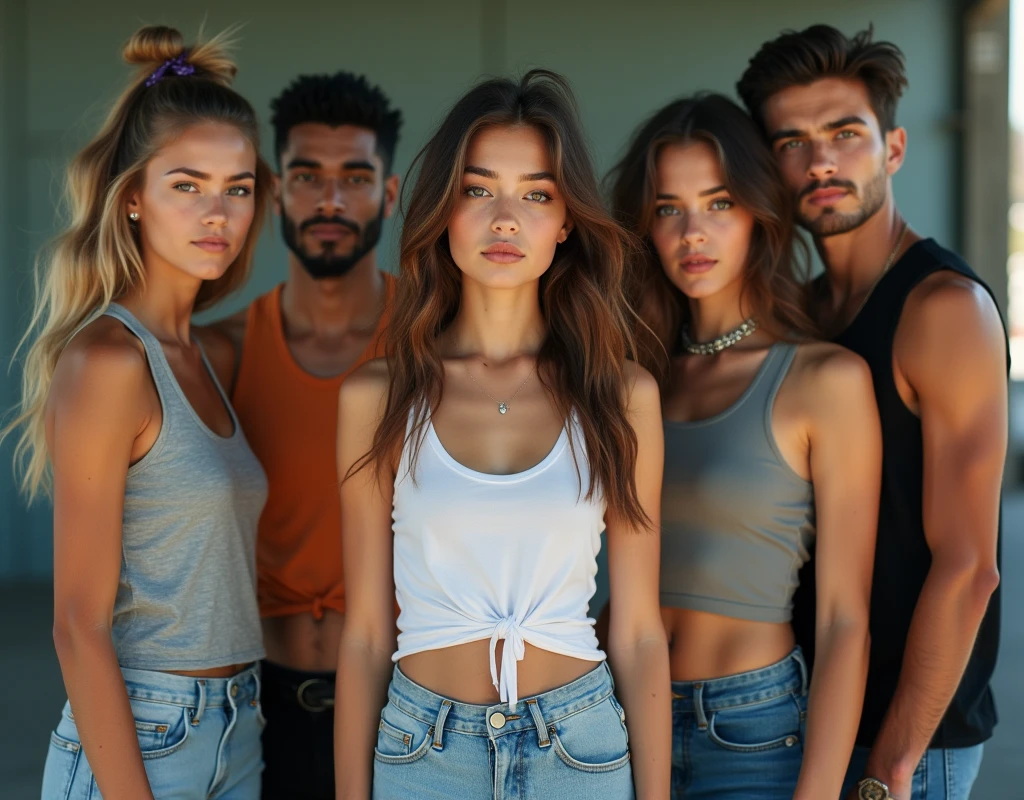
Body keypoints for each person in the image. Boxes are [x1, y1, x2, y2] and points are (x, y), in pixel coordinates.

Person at [333, 70, 671, 799]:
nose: (506, 218)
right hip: (424, 752)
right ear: (443, 210)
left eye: (537, 194)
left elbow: (640, 630)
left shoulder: (621, 395)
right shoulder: (378, 396)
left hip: (578, 748)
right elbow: (365, 631)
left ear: (567, 219)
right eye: (479, 189)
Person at [738, 25, 1008, 800]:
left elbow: (969, 569)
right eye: (791, 142)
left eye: (844, 134)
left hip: (903, 743)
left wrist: (889, 769)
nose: (820, 161)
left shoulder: (944, 310)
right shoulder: (804, 310)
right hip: (806, 717)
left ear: (892, 149)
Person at [2, 26, 273, 798]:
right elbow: (76, 625)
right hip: (146, 734)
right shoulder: (109, 363)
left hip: (238, 728)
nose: (216, 211)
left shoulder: (208, 358)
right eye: (186, 184)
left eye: (240, 186)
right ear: (132, 199)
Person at [608, 93, 880, 799]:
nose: (692, 232)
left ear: (760, 214)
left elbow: (845, 618)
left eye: (719, 203)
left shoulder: (824, 379)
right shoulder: (631, 379)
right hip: (612, 718)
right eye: (669, 209)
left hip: (753, 730)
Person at [207, 71, 401, 799]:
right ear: (273, 190)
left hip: (407, 710)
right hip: (258, 715)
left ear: (388, 193)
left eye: (354, 177)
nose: (329, 200)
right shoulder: (219, 354)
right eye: (306, 176)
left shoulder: (434, 342)